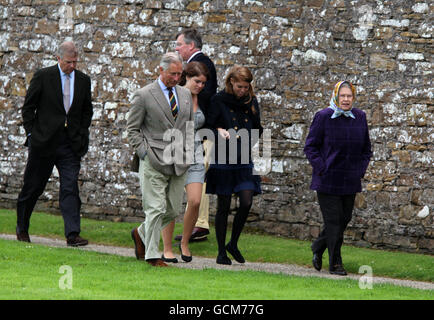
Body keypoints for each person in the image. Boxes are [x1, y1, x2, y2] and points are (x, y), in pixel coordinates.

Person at [16, 41, 93, 246]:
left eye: (75, 61)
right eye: (69, 62)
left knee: (70, 187)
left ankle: (72, 234)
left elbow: (87, 110)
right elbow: (28, 108)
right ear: (58, 58)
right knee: (33, 187)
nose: (73, 66)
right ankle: (22, 228)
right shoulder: (43, 76)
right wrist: (32, 135)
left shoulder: (84, 80)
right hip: (43, 143)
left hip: (70, 144)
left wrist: (81, 132)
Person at [127, 52, 193, 267]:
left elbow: (189, 128)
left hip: (179, 161)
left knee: (172, 210)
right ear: (161, 70)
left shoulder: (185, 94)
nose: (176, 78)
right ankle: (153, 256)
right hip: (153, 159)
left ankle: (140, 233)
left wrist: (189, 152)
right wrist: (144, 152)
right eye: (173, 74)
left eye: (179, 74)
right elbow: (133, 129)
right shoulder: (144, 95)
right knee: (154, 208)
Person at [304, 80, 372, 276]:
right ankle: (335, 263)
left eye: (349, 96)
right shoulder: (323, 116)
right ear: (336, 96)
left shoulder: (360, 117)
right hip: (327, 178)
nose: (345, 99)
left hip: (350, 179)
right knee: (333, 222)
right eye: (342, 96)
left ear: (354, 97)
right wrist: (322, 167)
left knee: (344, 218)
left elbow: (366, 150)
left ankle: (318, 246)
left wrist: (360, 170)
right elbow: (310, 147)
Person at [206, 65, 263, 265]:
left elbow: (258, 128)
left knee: (246, 201)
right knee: (223, 206)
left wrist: (248, 141)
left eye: (246, 87)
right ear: (231, 82)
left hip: (244, 158)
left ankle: (233, 243)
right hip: (223, 157)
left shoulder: (251, 101)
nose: (242, 90)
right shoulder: (218, 100)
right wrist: (219, 130)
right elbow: (207, 126)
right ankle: (221, 251)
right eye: (239, 86)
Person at [161, 62, 209, 263]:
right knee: (171, 203)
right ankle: (166, 248)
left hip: (196, 151)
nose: (200, 86)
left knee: (195, 201)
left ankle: (185, 242)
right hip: (175, 151)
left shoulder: (203, 99)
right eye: (197, 81)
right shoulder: (174, 96)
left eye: (203, 83)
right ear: (186, 78)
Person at [174, 28, 218, 242]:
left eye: (179, 45)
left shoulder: (202, 63)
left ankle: (199, 225)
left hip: (201, 133)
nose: (177, 48)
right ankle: (196, 224)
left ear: (191, 46)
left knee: (198, 179)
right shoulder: (201, 62)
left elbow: (208, 96)